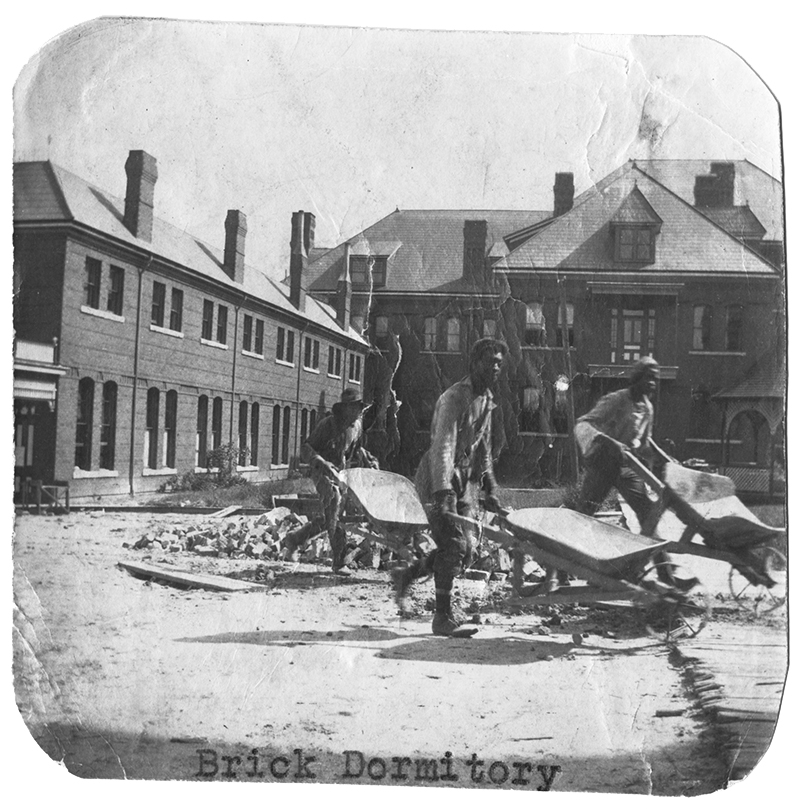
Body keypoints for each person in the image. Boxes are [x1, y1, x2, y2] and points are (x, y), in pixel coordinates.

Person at [394, 338, 506, 636]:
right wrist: (442, 493)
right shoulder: (455, 398)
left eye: (499, 362)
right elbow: (443, 446)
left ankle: (408, 577)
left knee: (466, 549)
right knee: (454, 545)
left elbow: (483, 448)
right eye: (489, 361)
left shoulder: (487, 400)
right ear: (474, 364)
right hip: (436, 477)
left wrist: (490, 487)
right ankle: (441, 617)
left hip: (462, 480)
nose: (495, 367)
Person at [566, 356, 695, 591]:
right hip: (604, 462)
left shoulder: (647, 408)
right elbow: (583, 423)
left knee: (649, 514)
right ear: (636, 378)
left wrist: (667, 460)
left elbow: (645, 443)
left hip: (627, 466)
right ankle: (561, 569)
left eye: (656, 379)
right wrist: (609, 442)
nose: (653, 384)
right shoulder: (616, 400)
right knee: (585, 513)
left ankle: (667, 575)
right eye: (648, 378)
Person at [299, 387, 379, 575]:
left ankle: (299, 538)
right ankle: (338, 562)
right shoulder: (328, 425)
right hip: (323, 472)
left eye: (361, 408)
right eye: (355, 408)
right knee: (333, 499)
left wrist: (369, 459)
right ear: (345, 408)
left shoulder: (356, 426)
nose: (359, 412)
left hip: (341, 474)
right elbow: (306, 448)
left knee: (336, 515)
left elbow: (356, 449)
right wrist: (322, 462)